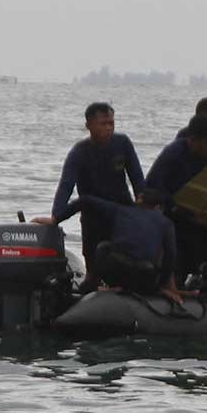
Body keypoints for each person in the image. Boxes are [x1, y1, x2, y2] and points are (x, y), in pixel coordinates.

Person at [34, 103, 144, 286]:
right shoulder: (80, 152)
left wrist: (142, 201)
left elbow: (137, 177)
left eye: (111, 123)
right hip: (92, 213)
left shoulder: (122, 143)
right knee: (92, 262)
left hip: (121, 210)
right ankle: (92, 282)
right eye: (103, 124)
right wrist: (56, 216)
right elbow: (66, 185)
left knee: (124, 257)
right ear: (89, 125)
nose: (108, 128)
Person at [146, 115, 207, 279]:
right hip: (173, 214)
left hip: (200, 215)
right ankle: (171, 281)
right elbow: (153, 184)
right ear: (193, 140)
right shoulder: (174, 153)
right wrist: (175, 206)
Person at [92, 187, 185, 304]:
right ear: (158, 208)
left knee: (103, 246)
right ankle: (150, 290)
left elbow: (86, 200)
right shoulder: (166, 222)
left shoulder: (123, 210)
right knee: (154, 259)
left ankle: (103, 285)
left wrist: (61, 215)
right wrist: (161, 285)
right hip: (143, 276)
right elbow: (170, 256)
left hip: (115, 269)